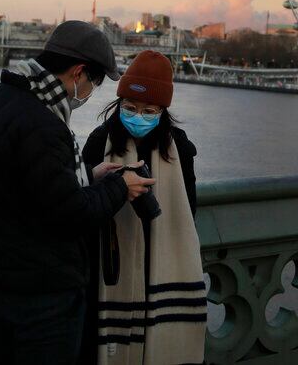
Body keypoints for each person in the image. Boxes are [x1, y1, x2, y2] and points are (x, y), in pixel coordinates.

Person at [0, 20, 153, 365]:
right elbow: (70, 215)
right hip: (42, 298)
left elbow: (20, 187)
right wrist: (119, 186)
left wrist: (88, 178)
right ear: (78, 73)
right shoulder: (44, 125)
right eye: (94, 82)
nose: (91, 91)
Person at [81, 51, 205, 365]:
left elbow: (187, 207)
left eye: (149, 110)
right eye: (130, 108)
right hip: (112, 263)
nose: (138, 117)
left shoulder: (180, 147)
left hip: (160, 256)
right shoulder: (99, 142)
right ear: (118, 105)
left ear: (163, 111)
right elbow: (84, 200)